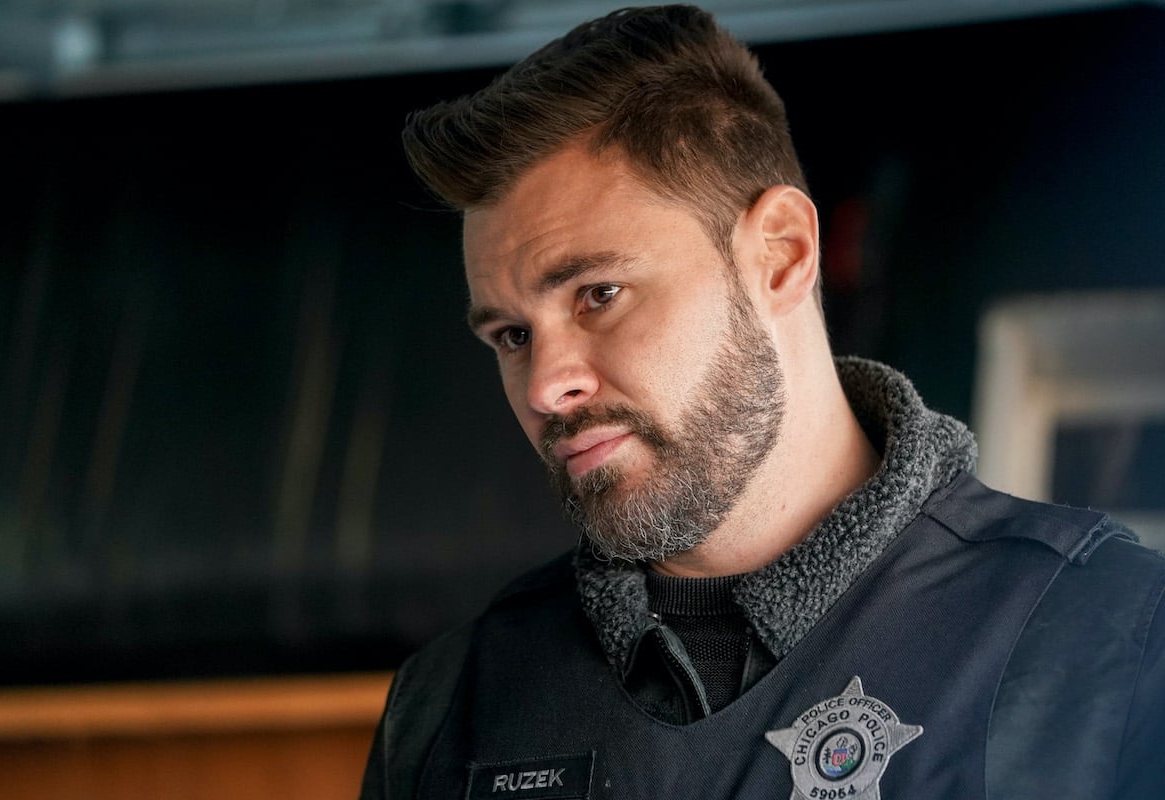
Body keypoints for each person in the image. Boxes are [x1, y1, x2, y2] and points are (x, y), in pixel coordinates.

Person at [361, 5, 1165, 799]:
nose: (545, 386)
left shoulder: (1111, 645)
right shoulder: (448, 709)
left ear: (781, 255)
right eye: (511, 335)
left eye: (598, 294)